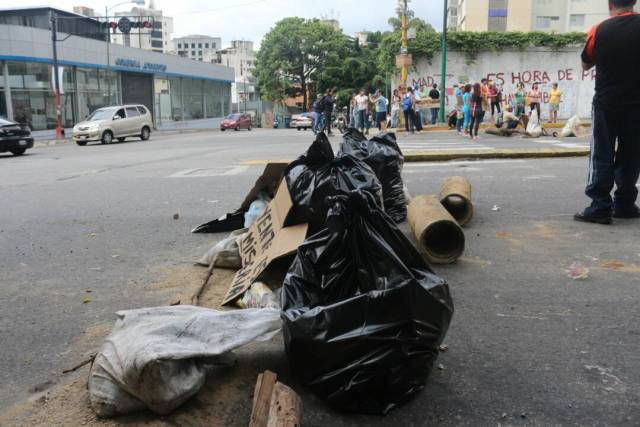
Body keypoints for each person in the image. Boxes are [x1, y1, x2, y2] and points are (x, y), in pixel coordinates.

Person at [575, 0, 640, 224]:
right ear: (634, 2)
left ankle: (600, 206)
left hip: (606, 103)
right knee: (631, 153)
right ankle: (624, 203)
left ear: (610, 4)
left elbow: (585, 64)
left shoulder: (599, 30)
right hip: (636, 104)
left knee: (601, 152)